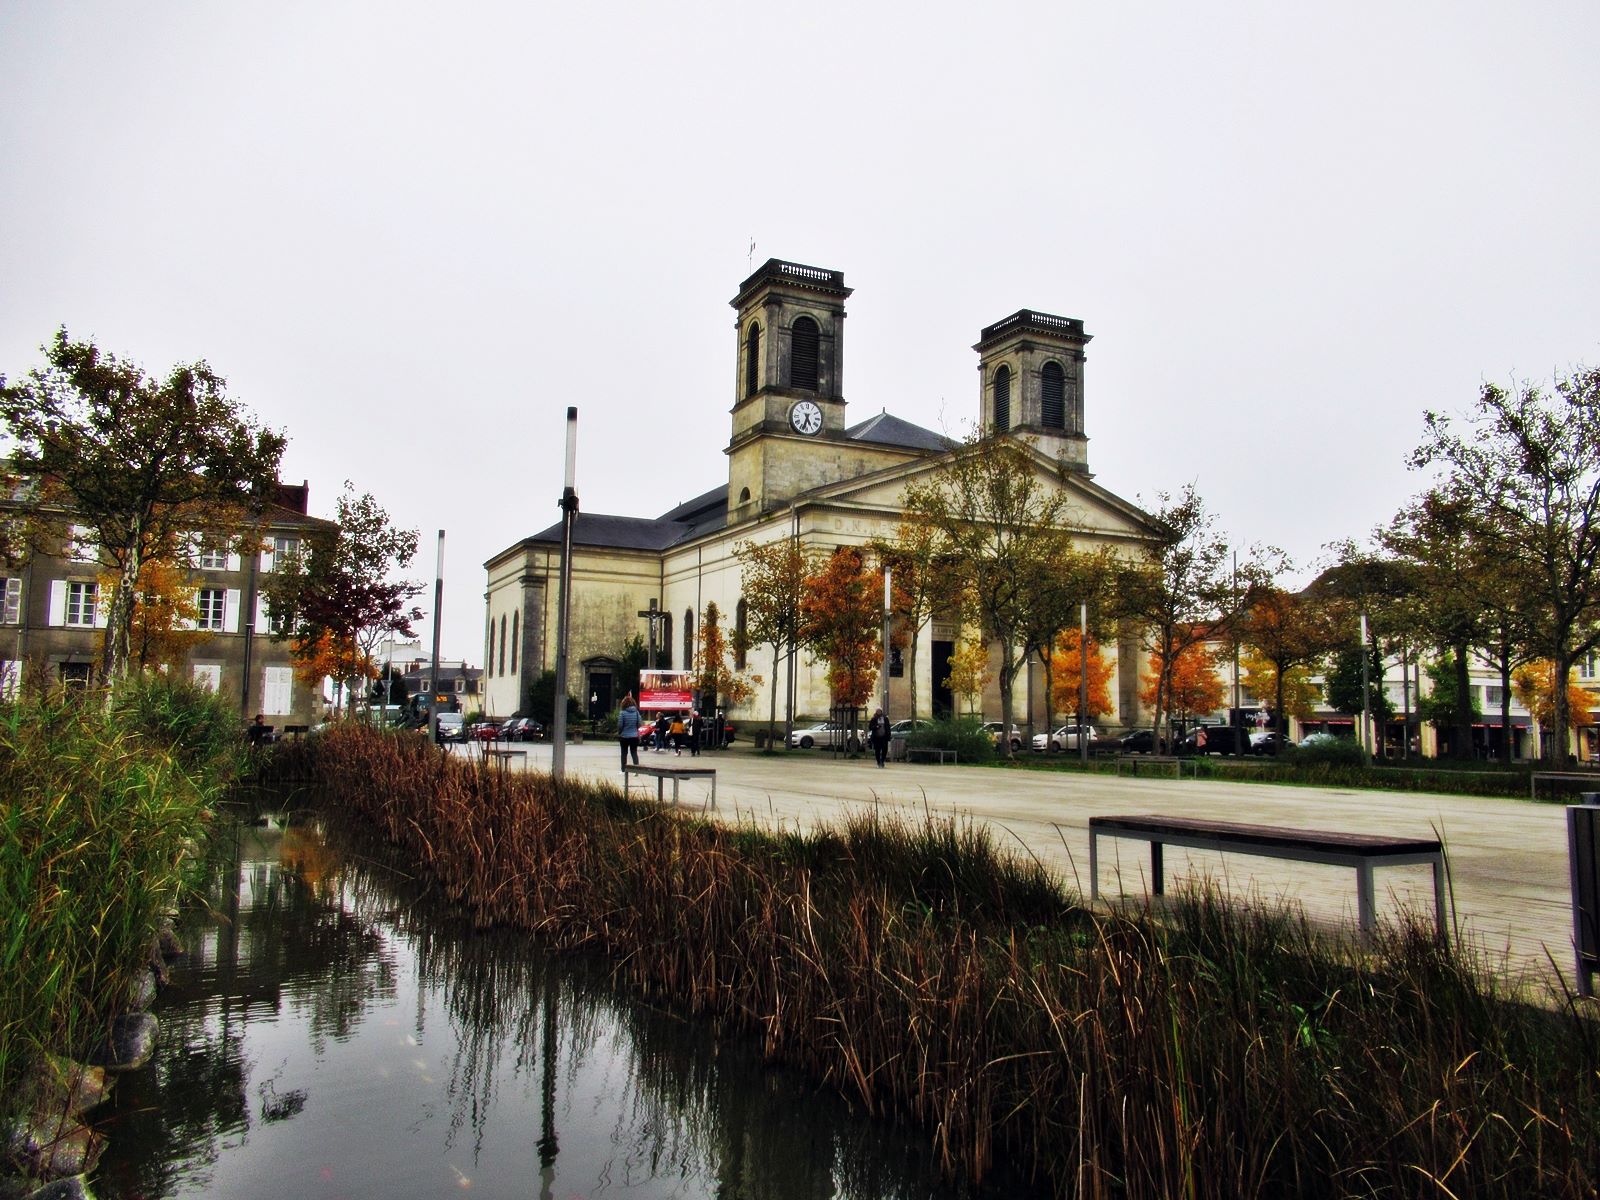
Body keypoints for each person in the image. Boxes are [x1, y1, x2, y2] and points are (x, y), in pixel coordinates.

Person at [617, 693, 642, 771]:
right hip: (634, 736)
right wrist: (635, 729)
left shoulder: (622, 713)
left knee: (624, 753)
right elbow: (639, 724)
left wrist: (620, 732)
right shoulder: (636, 713)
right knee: (634, 752)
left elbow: (620, 725)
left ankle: (623, 770)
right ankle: (637, 770)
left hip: (624, 736)